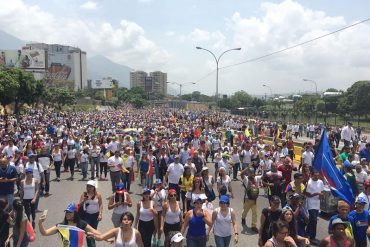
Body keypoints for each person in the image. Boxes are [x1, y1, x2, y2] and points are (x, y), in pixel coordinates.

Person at [78, 180, 103, 247]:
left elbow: (100, 204)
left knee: (94, 231)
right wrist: (84, 200)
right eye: (88, 186)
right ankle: (92, 245)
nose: (89, 188)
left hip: (95, 215)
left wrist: (100, 214)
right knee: (88, 232)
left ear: (94, 187)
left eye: (91, 186)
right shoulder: (84, 195)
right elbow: (79, 205)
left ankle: (92, 243)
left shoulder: (98, 195)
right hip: (87, 216)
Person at [305, 169, 324, 245]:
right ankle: (312, 237)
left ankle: (306, 234)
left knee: (312, 220)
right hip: (310, 203)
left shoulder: (320, 182)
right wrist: (316, 193)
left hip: (317, 204)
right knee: (314, 220)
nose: (317, 177)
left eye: (318, 175)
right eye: (315, 175)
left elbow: (322, 191)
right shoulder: (309, 183)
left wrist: (321, 195)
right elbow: (308, 194)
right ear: (311, 175)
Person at [241, 167, 259, 232]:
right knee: (245, 212)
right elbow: (241, 174)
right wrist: (247, 168)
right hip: (247, 199)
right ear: (248, 173)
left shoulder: (255, 179)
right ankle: (243, 218)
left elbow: (263, 176)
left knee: (255, 213)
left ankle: (253, 226)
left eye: (253, 173)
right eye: (250, 173)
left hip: (254, 200)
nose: (252, 174)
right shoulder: (246, 179)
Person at [152, 178, 166, 245]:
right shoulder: (152, 191)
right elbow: (149, 198)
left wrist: (159, 193)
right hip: (154, 210)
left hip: (161, 210)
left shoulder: (163, 191)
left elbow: (165, 200)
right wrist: (155, 192)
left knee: (160, 226)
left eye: (159, 184)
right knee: (155, 226)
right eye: (156, 184)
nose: (158, 186)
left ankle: (159, 240)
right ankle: (154, 238)